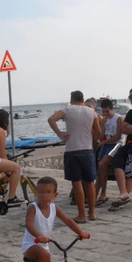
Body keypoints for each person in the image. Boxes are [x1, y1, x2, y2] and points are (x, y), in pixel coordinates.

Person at [22, 176, 90, 262]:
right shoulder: (33, 207)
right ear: (36, 193)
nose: (44, 195)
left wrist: (80, 232)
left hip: (44, 246)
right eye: (40, 191)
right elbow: (29, 224)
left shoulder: (54, 208)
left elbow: (68, 220)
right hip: (31, 245)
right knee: (45, 256)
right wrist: (39, 235)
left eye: (48, 192)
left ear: (55, 195)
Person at [48, 91, 102, 223]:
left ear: (72, 98)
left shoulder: (68, 109)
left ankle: (82, 215)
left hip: (72, 150)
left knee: (77, 182)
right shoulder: (91, 112)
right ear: (83, 99)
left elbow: (51, 119)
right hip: (87, 150)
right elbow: (98, 133)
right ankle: (92, 213)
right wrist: (92, 136)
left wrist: (60, 134)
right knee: (90, 182)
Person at [94, 98, 124, 206]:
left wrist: (104, 142)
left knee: (103, 163)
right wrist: (101, 125)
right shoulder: (104, 119)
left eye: (107, 111)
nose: (106, 114)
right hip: (107, 144)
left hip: (117, 144)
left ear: (112, 109)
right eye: (104, 112)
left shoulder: (118, 118)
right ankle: (102, 193)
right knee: (100, 166)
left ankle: (103, 193)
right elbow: (102, 135)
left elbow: (118, 136)